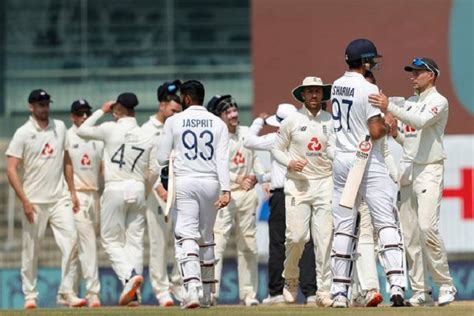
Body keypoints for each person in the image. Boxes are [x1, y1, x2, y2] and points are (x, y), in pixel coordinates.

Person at [369, 57, 456, 306]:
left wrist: (390, 107)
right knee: (410, 236)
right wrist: (395, 132)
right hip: (408, 170)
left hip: (429, 169)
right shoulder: (411, 103)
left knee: (428, 228)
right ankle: (421, 291)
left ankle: (446, 285)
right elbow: (409, 142)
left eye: (418, 73)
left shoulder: (439, 102)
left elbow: (419, 122)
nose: (413, 77)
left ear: (431, 75)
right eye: (412, 72)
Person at [329, 38, 406, 308]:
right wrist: (388, 124)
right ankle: (396, 287)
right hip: (365, 158)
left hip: (341, 158)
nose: (374, 64)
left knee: (344, 226)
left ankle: (339, 293)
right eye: (371, 60)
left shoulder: (337, 85)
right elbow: (374, 132)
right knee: (385, 221)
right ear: (364, 62)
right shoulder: (367, 88)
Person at [6, 89, 87, 309]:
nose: (44, 108)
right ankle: (30, 295)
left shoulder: (60, 127)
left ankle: (67, 292)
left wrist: (72, 191)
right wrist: (24, 200)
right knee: (31, 249)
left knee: (72, 242)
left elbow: (67, 160)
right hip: (34, 200)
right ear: (31, 107)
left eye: (46, 104)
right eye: (40, 105)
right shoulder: (23, 133)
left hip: (59, 198)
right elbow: (11, 169)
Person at [157, 80, 231, 309]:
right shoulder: (218, 123)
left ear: (187, 98)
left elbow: (161, 158)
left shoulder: (174, 121)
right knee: (206, 237)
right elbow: (222, 160)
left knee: (186, 235)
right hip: (211, 184)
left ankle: (193, 289)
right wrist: (226, 189)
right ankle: (208, 293)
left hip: (186, 181)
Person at [77, 92, 153, 306]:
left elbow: (82, 131)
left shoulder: (110, 129)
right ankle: (135, 294)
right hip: (138, 188)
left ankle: (129, 278)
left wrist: (101, 110)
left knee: (110, 240)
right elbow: (153, 166)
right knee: (135, 241)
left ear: (118, 110)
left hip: (115, 187)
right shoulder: (145, 134)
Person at [244, 103, 321, 305]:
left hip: (280, 195)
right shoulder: (304, 137)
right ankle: (310, 292)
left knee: (278, 243)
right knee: (304, 241)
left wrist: (258, 121)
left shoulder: (275, 138)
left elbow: (248, 141)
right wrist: (261, 177)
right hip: (302, 191)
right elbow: (279, 169)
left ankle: (277, 292)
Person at [271, 77, 335, 307]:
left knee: (324, 240)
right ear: (303, 95)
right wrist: (289, 163)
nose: (314, 95)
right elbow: (276, 149)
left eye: (318, 91)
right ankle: (290, 277)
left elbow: (334, 149)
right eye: (310, 92)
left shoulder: (330, 120)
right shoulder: (291, 121)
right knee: (297, 238)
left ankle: (324, 291)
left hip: (324, 183)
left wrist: (337, 159)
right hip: (298, 184)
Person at [207, 95, 264, 306]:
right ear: (220, 116)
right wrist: (237, 178)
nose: (233, 115)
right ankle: (211, 293)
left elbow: (256, 158)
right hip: (225, 194)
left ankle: (249, 295)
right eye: (228, 112)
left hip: (247, 194)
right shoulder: (215, 137)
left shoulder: (246, 132)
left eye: (234, 110)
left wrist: (260, 177)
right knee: (218, 244)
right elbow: (216, 166)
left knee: (248, 244)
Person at [350, 71, 400, 307]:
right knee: (359, 235)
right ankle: (367, 289)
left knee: (382, 231)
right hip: (354, 176)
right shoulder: (350, 114)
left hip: (377, 179)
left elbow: (385, 151)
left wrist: (396, 178)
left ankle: (396, 287)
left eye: (373, 89)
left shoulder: (379, 115)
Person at [142, 80, 184, 306]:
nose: (176, 114)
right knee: (159, 242)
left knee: (184, 237)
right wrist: (159, 188)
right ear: (162, 106)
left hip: (179, 190)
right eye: (173, 110)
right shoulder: (147, 130)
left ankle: (177, 283)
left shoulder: (178, 126)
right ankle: (161, 290)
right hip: (157, 192)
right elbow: (146, 166)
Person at [65, 99, 104, 308]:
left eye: (87, 113)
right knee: (87, 245)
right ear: (72, 116)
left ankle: (68, 292)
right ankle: (93, 294)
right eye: (80, 114)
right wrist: (71, 194)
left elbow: (101, 167)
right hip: (77, 195)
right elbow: (66, 166)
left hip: (94, 194)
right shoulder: (68, 136)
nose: (84, 117)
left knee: (80, 246)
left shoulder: (96, 136)